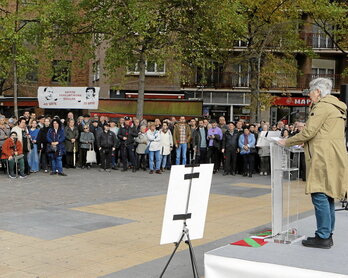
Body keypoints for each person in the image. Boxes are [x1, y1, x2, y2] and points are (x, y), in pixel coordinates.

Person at [279, 78, 348, 249]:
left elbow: (309, 131)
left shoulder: (322, 106)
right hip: (332, 155)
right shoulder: (336, 105)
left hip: (322, 157)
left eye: (310, 91)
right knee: (328, 195)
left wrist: (286, 141)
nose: (309, 95)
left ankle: (322, 236)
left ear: (317, 92)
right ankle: (327, 234)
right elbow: (323, 132)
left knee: (318, 193)